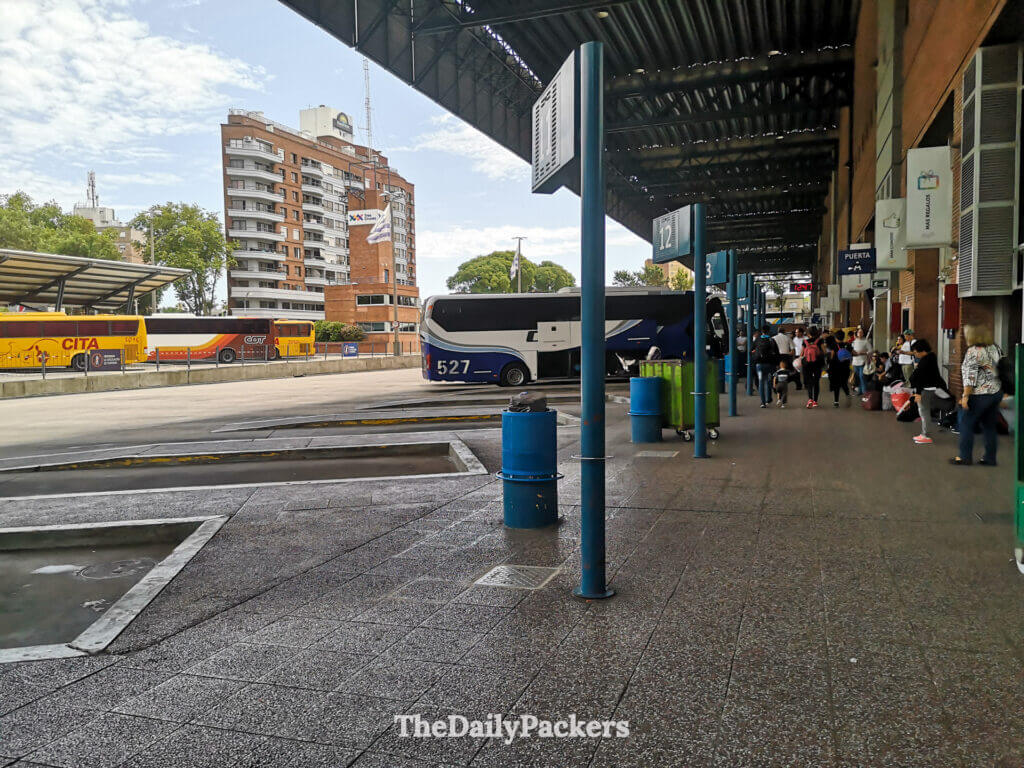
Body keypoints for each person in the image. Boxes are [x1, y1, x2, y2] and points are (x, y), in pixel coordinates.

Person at [951, 324, 1003, 466]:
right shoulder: (995, 348)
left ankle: (965, 457)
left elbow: (970, 376)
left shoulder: (973, 351)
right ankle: (990, 458)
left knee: (966, 424)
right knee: (989, 427)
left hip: (978, 394)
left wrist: (966, 396)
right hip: (995, 393)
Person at [908, 339, 952, 445]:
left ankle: (925, 435)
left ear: (921, 350)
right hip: (933, 388)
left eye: (915, 352)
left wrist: (918, 393)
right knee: (925, 410)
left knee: (924, 411)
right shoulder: (931, 357)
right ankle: (924, 433)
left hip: (926, 390)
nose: (914, 354)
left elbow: (920, 378)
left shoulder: (925, 360)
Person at [751, 325, 780, 408]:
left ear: (762, 331)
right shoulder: (771, 340)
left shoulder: (758, 339)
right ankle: (768, 398)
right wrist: (777, 364)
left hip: (759, 365)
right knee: (768, 381)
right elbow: (777, 353)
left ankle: (762, 402)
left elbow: (751, 349)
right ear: (768, 331)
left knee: (760, 382)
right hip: (770, 364)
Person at [800, 326, 824, 408]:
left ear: (808, 333)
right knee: (816, 382)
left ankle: (810, 399)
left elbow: (802, 354)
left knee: (809, 382)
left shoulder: (805, 341)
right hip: (817, 364)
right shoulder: (820, 341)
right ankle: (815, 402)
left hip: (807, 364)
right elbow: (823, 351)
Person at [826, 331, 851, 407]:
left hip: (835, 367)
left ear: (836, 338)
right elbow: (853, 353)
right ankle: (848, 395)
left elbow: (832, 356)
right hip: (845, 368)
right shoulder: (847, 345)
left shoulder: (833, 345)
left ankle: (836, 401)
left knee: (836, 385)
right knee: (844, 383)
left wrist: (828, 364)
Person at [851, 328, 872, 394]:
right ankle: (859, 391)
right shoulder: (854, 342)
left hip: (863, 362)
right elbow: (851, 351)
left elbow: (870, 351)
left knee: (862, 377)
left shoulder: (866, 341)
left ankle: (864, 392)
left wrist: (863, 353)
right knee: (858, 378)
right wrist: (853, 353)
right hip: (855, 362)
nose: (860, 333)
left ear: (863, 333)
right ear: (856, 333)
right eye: (859, 332)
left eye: (861, 332)